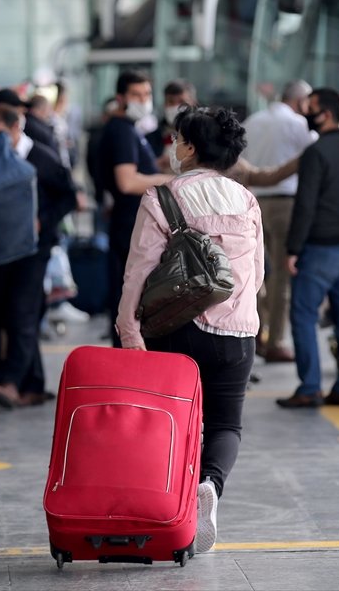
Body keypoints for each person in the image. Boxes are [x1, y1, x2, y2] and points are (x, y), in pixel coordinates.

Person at [116, 106, 263, 554]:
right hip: (238, 333)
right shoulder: (246, 199)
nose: (173, 147)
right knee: (226, 425)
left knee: (173, 424)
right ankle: (210, 486)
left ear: (191, 147)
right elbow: (256, 276)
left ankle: (172, 512)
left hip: (178, 330)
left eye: (177, 139)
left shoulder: (164, 197)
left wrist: (129, 330)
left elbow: (139, 272)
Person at [0, 105, 78, 408]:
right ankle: (25, 383)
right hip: (0, 250)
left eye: (0, 136)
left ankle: (10, 381)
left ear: (15, 129)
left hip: (34, 250)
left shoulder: (41, 159)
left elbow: (68, 196)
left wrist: (42, 220)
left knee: (22, 312)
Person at [277, 88, 339, 409]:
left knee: (302, 314)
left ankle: (310, 386)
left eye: (310, 108)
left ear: (325, 113)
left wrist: (293, 248)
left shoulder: (316, 153)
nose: (305, 114)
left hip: (320, 249)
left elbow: (306, 205)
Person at [240, 79, 315, 363]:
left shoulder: (253, 121)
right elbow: (315, 154)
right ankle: (277, 341)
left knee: (258, 275)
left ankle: (258, 334)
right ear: (299, 102)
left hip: (254, 202)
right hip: (285, 204)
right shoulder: (298, 124)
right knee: (282, 275)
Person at [98, 71, 174, 345]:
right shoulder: (121, 131)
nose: (143, 100)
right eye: (136, 95)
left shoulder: (131, 129)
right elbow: (127, 181)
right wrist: (172, 180)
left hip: (132, 222)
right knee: (130, 298)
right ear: (120, 98)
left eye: (146, 94)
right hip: (129, 225)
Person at [149, 79, 196, 160]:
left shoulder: (203, 135)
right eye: (171, 102)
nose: (176, 107)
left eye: (182, 101)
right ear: (164, 104)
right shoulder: (151, 138)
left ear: (193, 103)